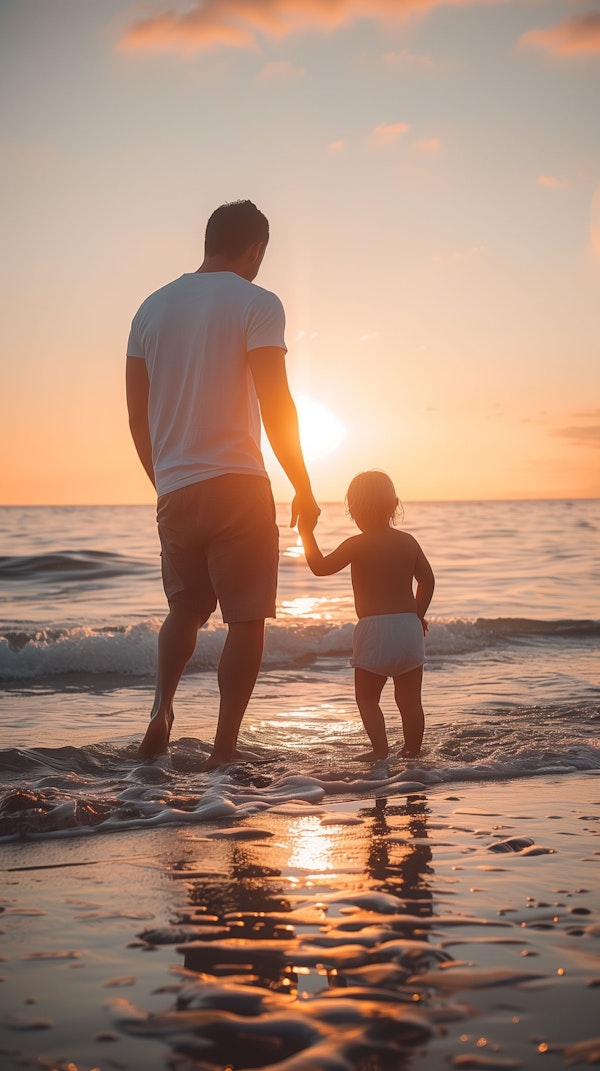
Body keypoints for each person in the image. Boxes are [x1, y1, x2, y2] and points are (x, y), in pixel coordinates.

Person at [126, 200, 320, 769]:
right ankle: (223, 748)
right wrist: (303, 486)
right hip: (238, 484)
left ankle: (162, 709)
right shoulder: (258, 303)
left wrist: (163, 481)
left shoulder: (149, 308)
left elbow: (138, 417)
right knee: (246, 618)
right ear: (256, 248)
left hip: (175, 488)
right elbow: (277, 402)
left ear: (209, 240)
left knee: (184, 611)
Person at [299, 470, 434, 761]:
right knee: (410, 702)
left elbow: (320, 567)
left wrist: (306, 533)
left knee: (367, 698)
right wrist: (417, 614)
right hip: (408, 629)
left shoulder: (356, 544)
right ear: (394, 504)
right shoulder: (408, 542)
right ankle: (412, 750)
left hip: (374, 630)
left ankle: (380, 749)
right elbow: (428, 581)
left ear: (353, 510)